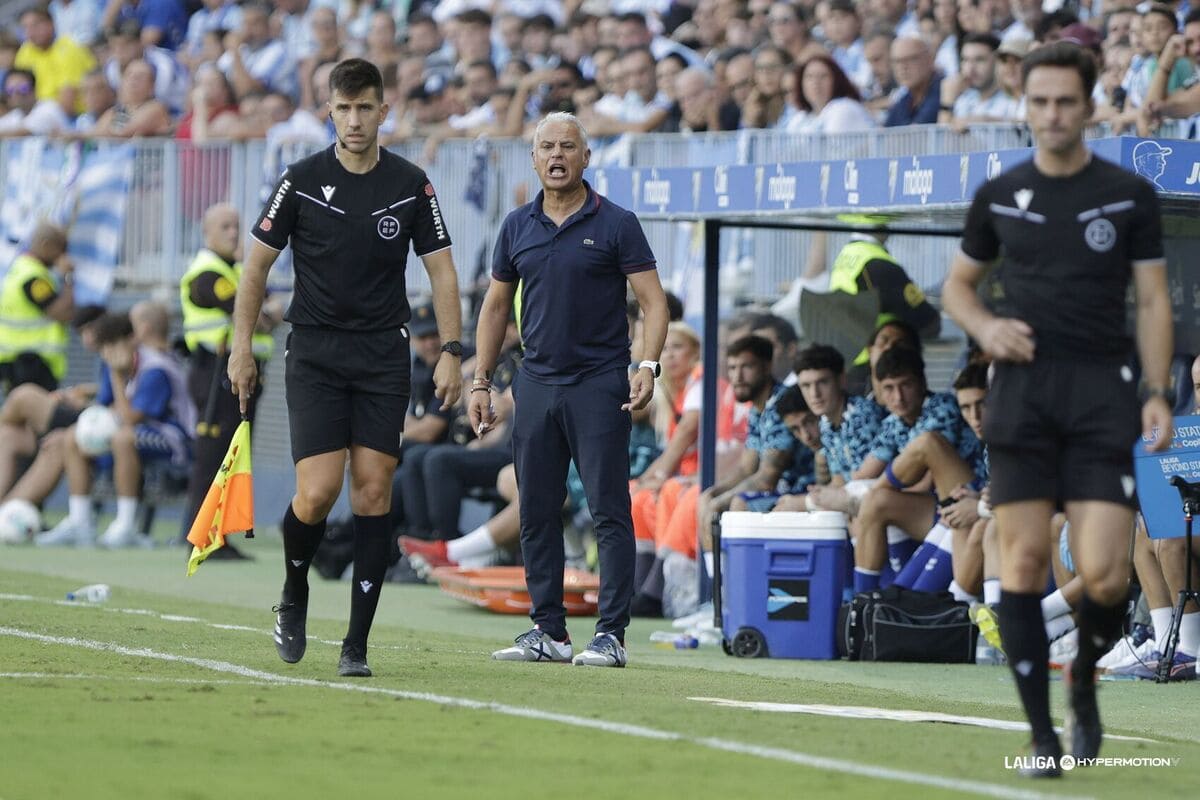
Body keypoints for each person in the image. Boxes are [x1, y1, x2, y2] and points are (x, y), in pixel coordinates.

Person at [942, 42, 1173, 775]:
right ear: (1026, 106)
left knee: (1104, 576)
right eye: (1039, 102)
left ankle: (1083, 679)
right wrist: (986, 329)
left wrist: (1157, 390)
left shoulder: (1128, 194)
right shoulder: (1000, 194)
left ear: (1089, 104)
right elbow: (957, 288)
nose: (1051, 115)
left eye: (1065, 101)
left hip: (1103, 396)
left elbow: (1154, 301)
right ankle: (1042, 735)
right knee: (1023, 561)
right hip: (1023, 399)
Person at [228, 58, 463, 679]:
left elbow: (442, 271)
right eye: (343, 109)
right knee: (317, 492)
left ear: (384, 112)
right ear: (329, 112)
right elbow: (256, 268)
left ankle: (355, 644)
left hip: (383, 355)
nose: (354, 120)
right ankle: (294, 588)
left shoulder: (412, 184)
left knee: (373, 490)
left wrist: (452, 351)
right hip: (315, 352)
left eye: (365, 108)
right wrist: (240, 346)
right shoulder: (301, 179)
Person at [469, 111, 668, 668]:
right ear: (534, 158)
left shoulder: (618, 222)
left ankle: (612, 635)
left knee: (608, 509)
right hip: (535, 381)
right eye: (547, 147)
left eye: (567, 146)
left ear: (586, 156)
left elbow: (653, 302)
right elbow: (494, 306)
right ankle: (549, 631)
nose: (556, 155)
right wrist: (481, 380)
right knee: (535, 508)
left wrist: (648, 365)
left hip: (599, 383)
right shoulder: (516, 225)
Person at [37, 304, 196, 548]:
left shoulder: (155, 369)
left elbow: (130, 418)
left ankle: (126, 525)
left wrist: (116, 375)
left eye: (111, 346)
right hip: (143, 435)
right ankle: (80, 522)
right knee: (72, 436)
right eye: (104, 349)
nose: (107, 354)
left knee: (123, 438)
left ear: (132, 338)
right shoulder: (133, 364)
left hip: (177, 442)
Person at [177, 203, 281, 558]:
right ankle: (202, 537)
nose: (234, 233)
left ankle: (217, 536)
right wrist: (267, 314)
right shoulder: (208, 275)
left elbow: (268, 308)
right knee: (214, 457)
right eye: (225, 227)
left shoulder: (236, 270)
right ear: (206, 232)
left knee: (231, 457)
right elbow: (257, 316)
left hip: (237, 376)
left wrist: (267, 313)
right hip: (215, 376)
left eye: (236, 226)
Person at [0, 222, 74, 393]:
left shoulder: (21, 268)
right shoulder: (33, 277)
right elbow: (63, 313)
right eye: (61, 248)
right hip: (30, 364)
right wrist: (68, 277)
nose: (63, 255)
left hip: (21, 362)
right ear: (45, 245)